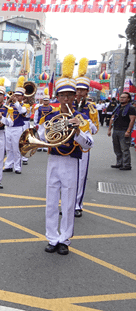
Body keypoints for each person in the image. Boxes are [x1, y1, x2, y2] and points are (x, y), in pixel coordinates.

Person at [38, 55, 93, 255]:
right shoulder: (50, 116)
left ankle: (65, 239)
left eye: (71, 95)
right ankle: (52, 237)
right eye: (63, 95)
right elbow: (41, 136)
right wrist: (55, 128)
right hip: (53, 160)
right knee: (51, 201)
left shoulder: (82, 118)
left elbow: (89, 144)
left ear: (75, 97)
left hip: (72, 161)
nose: (67, 98)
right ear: (58, 97)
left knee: (69, 203)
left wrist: (77, 132)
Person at [73, 58, 100, 217]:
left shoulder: (91, 107)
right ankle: (68, 202)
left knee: (81, 175)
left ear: (87, 92)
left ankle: (77, 205)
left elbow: (95, 129)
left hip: (84, 142)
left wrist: (88, 123)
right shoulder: (68, 104)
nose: (79, 93)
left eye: (82, 90)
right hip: (69, 141)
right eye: (77, 90)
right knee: (68, 175)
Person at [1, 76, 30, 174]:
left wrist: (16, 102)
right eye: (15, 95)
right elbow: (4, 112)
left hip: (18, 128)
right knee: (8, 148)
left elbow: (22, 111)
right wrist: (8, 101)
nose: (16, 97)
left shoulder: (24, 105)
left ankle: (17, 167)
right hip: (8, 128)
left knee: (16, 148)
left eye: (19, 96)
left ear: (23, 97)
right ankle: (8, 165)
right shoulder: (10, 105)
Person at [107, 92, 136, 170]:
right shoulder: (117, 107)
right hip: (116, 130)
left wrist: (128, 131)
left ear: (128, 99)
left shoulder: (131, 108)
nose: (122, 99)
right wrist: (109, 129)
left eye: (124, 97)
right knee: (117, 148)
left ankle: (126, 165)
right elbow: (112, 118)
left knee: (124, 148)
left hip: (124, 130)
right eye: (121, 97)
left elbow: (132, 120)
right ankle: (119, 163)